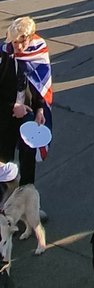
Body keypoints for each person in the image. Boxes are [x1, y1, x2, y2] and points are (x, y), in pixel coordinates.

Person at [0, 17, 52, 187]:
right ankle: (4, 204)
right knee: (4, 161)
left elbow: (41, 85)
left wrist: (40, 109)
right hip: (5, 116)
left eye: (22, 42)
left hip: (27, 114)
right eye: (15, 42)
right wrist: (12, 107)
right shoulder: (3, 55)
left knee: (28, 159)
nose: (19, 47)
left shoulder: (37, 53)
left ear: (30, 38)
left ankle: (27, 201)